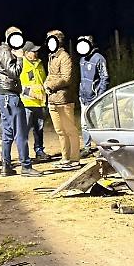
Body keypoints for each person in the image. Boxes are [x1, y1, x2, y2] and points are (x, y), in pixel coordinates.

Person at [0, 26, 41, 177]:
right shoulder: (5, 51)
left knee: (7, 132)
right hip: (9, 97)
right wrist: (20, 57)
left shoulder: (2, 51)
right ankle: (26, 166)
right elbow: (14, 72)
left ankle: (6, 166)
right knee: (20, 131)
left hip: (4, 96)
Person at [43, 29, 81, 170]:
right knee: (60, 131)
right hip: (53, 99)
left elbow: (66, 78)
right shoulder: (52, 56)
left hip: (64, 100)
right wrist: (46, 84)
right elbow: (51, 75)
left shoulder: (64, 57)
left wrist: (50, 85)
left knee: (70, 130)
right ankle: (65, 158)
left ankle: (75, 159)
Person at [77, 35, 109, 156]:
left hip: (95, 98)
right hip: (84, 98)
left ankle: (102, 148)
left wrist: (99, 95)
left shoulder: (99, 58)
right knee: (84, 124)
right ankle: (87, 147)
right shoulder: (82, 59)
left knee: (99, 124)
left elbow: (104, 78)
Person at [20, 42, 51, 162]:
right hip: (26, 103)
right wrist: (29, 93)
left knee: (39, 129)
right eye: (33, 51)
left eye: (36, 51)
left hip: (39, 103)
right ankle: (25, 155)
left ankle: (39, 151)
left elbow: (43, 81)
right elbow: (18, 83)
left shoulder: (39, 64)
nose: (36, 53)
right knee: (24, 131)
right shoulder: (21, 64)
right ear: (26, 53)